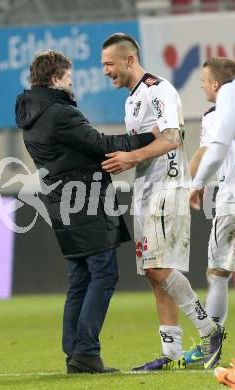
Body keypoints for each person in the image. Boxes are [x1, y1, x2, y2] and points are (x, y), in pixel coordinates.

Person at [15, 49, 157, 374]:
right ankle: (87, 352)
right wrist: (152, 137)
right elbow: (102, 144)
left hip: (61, 202)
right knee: (104, 274)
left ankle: (75, 354)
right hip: (85, 201)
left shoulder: (31, 116)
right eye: (68, 77)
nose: (72, 81)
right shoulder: (60, 113)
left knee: (79, 278)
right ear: (55, 79)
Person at [101, 33, 224, 371]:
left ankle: (209, 330)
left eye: (109, 64)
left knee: (158, 267)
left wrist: (130, 157)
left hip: (167, 188)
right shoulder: (131, 99)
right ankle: (171, 354)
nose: (105, 71)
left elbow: (171, 138)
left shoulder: (159, 90)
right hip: (145, 191)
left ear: (129, 60)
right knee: (153, 274)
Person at [184, 58, 235, 365]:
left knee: (218, 273)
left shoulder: (218, 111)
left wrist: (188, 186)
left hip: (231, 200)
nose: (202, 84)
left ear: (216, 85)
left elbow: (208, 151)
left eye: (203, 80)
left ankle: (210, 344)